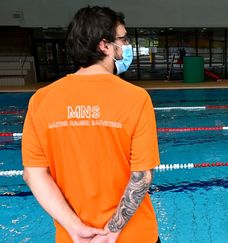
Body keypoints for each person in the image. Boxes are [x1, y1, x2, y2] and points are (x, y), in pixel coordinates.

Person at [22, 6, 160, 243]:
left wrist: (74, 228)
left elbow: (33, 174)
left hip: (75, 238)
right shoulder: (136, 98)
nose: (127, 46)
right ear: (104, 45)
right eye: (123, 38)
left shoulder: (41, 101)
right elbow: (141, 177)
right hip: (132, 236)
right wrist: (112, 232)